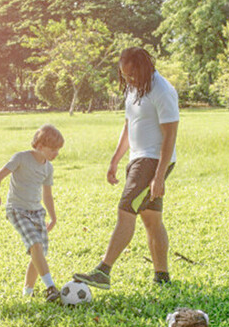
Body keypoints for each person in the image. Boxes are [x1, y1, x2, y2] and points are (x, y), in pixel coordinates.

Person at [73, 47, 179, 289]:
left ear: (144, 67)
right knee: (151, 219)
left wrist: (159, 176)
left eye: (132, 74)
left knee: (125, 209)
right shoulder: (134, 88)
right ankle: (162, 277)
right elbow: (129, 125)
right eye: (124, 75)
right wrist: (115, 159)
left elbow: (170, 134)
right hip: (138, 158)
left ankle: (104, 270)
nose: (129, 79)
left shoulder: (162, 91)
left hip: (153, 160)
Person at [0, 123, 64, 303]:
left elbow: (47, 194)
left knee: (38, 254)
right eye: (53, 149)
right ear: (39, 146)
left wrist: (53, 217)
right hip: (17, 209)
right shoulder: (21, 158)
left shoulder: (48, 168)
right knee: (35, 244)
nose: (56, 153)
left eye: (58, 150)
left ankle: (27, 293)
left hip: (37, 212)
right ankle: (51, 287)